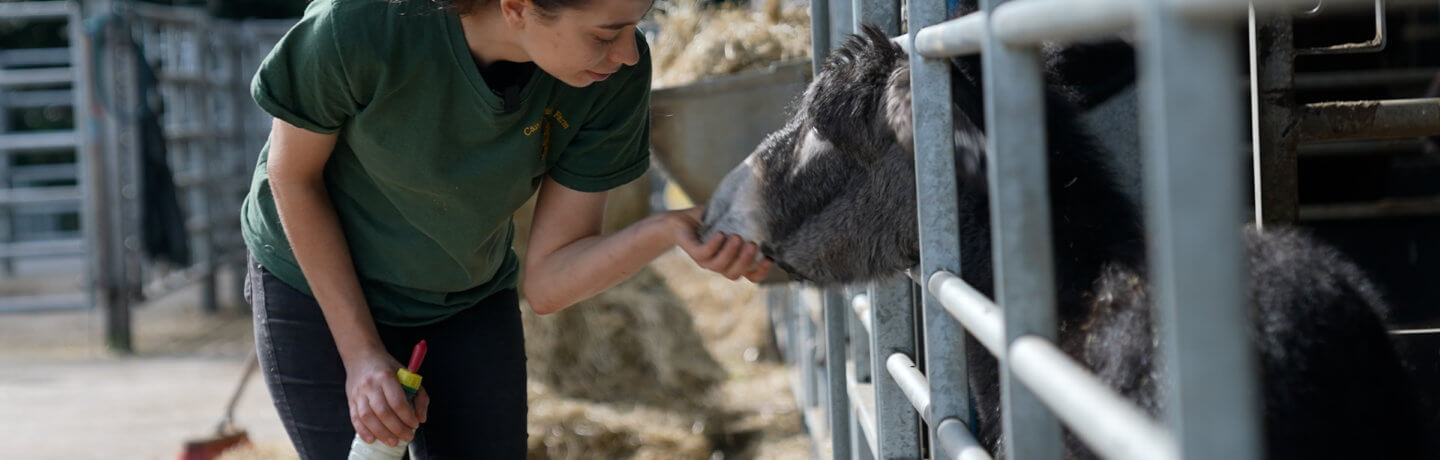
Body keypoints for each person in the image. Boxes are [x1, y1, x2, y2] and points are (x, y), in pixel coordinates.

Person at [240, 0, 771, 457]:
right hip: (316, 285)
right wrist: (360, 357)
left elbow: (547, 281)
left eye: (636, 23)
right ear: (515, 7)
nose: (629, 53)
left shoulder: (613, 78)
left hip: (463, 292)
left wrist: (663, 232)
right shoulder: (362, 23)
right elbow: (293, 176)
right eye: (606, 33)